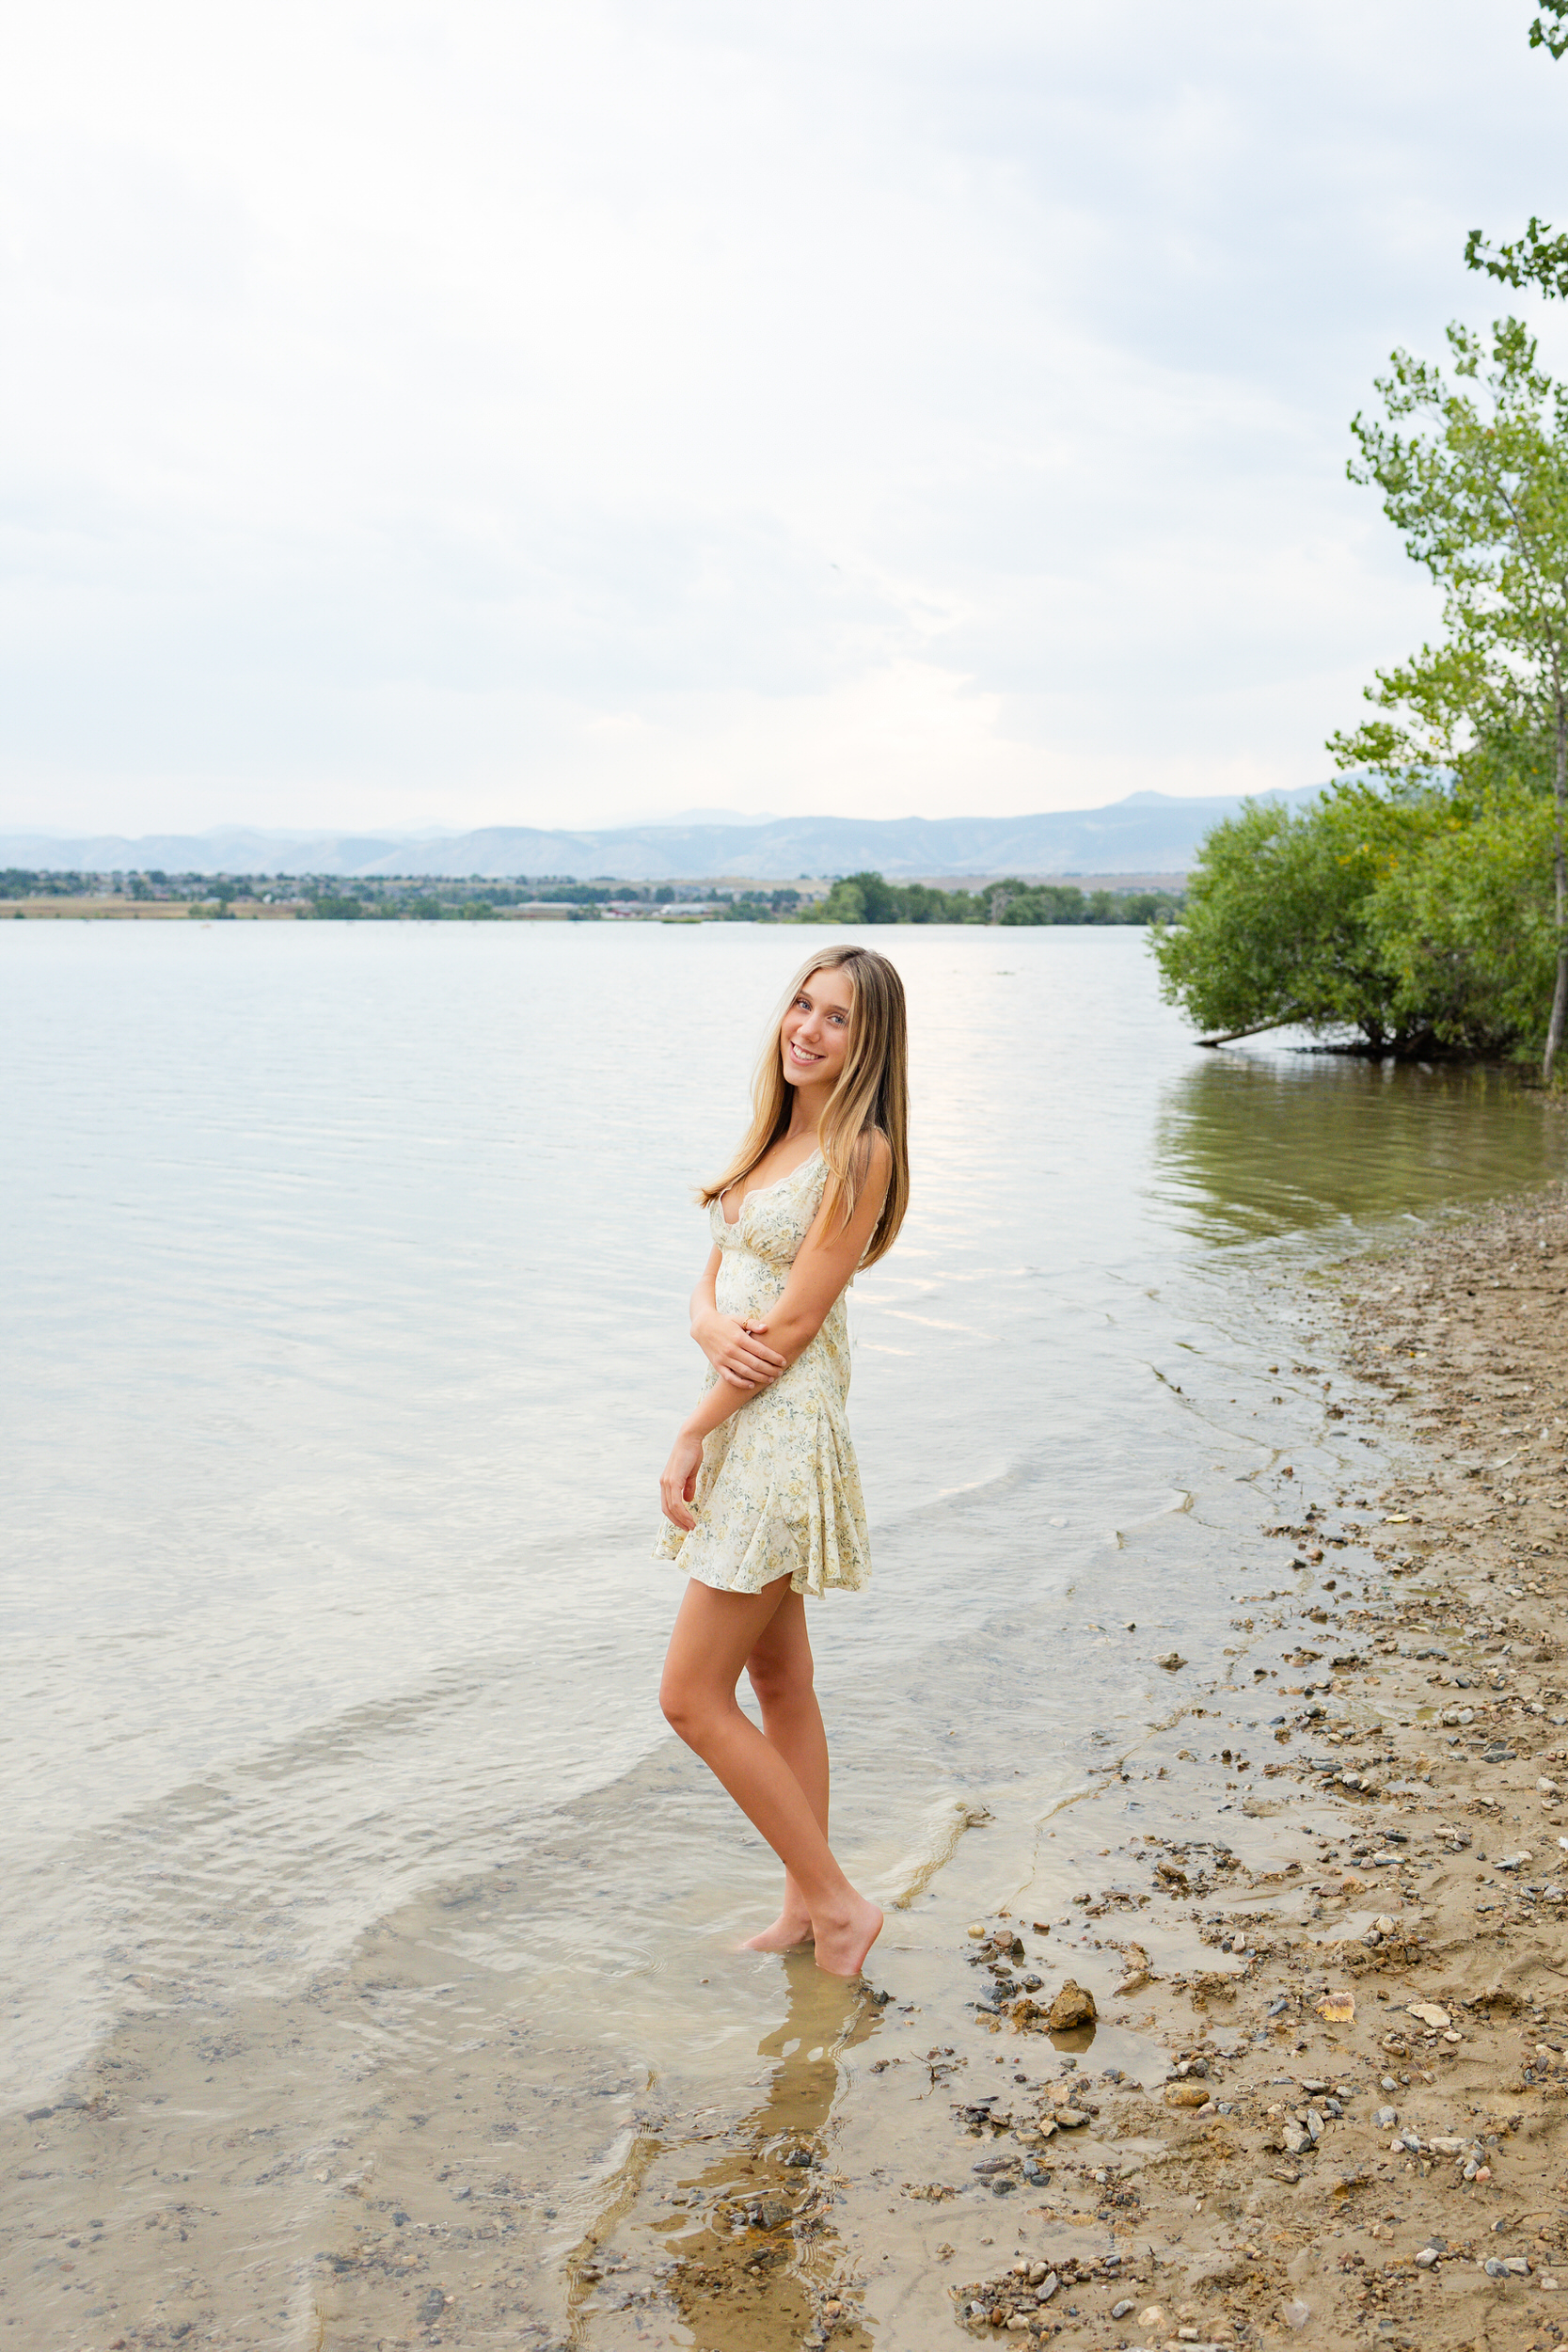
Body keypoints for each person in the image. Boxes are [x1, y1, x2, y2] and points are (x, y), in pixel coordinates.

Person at [654, 946, 910, 1978]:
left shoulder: (861, 1151)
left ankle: (842, 1906)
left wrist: (689, 1428)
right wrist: (708, 1329)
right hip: (744, 1420)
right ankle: (805, 1909)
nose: (806, 1028)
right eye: (801, 1005)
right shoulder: (775, 1138)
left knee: (689, 1697)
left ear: (869, 1040)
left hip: (781, 1431)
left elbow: (795, 1324)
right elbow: (714, 1286)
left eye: (836, 1018)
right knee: (779, 1678)